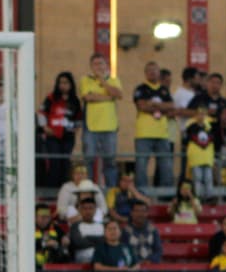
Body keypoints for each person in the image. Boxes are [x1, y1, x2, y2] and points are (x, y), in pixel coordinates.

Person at [78, 53, 122, 187]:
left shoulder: (113, 80)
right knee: (88, 160)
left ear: (106, 65)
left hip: (110, 128)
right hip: (91, 128)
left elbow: (118, 94)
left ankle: (111, 190)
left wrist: (103, 81)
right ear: (91, 66)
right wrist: (108, 97)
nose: (99, 66)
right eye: (95, 64)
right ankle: (88, 187)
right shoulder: (85, 80)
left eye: (101, 63)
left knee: (110, 161)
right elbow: (88, 97)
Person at [132, 60, 173, 190]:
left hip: (162, 133)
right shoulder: (140, 89)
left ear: (159, 73)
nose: (152, 73)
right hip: (144, 133)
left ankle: (166, 193)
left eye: (155, 70)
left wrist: (153, 104)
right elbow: (141, 106)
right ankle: (142, 191)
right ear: (145, 73)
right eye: (149, 70)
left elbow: (171, 106)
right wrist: (162, 107)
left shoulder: (164, 90)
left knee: (165, 164)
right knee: (142, 164)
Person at [38, 71, 82, 189]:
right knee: (54, 163)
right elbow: (41, 113)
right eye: (61, 83)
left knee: (65, 163)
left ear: (71, 84)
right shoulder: (51, 98)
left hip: (68, 137)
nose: (63, 85)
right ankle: (51, 190)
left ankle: (64, 189)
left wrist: (76, 129)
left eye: (66, 82)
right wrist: (45, 127)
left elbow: (79, 118)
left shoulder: (75, 100)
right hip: (53, 136)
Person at [184, 103, 217, 200]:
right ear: (196, 115)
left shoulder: (209, 127)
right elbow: (187, 140)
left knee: (208, 178)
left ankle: (209, 196)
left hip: (207, 158)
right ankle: (198, 197)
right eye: (199, 114)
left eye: (203, 114)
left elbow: (213, 139)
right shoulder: (191, 126)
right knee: (197, 178)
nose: (201, 116)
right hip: (196, 158)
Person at [67, 195, 106, 263]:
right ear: (80, 210)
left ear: (95, 209)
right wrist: (99, 241)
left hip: (102, 261)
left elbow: (107, 242)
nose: (88, 211)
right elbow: (78, 243)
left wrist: (87, 238)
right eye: (85, 208)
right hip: (81, 262)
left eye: (91, 208)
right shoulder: (75, 226)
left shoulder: (102, 226)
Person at [122, 199, 162, 264]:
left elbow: (158, 251)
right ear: (131, 213)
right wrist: (136, 261)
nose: (140, 214)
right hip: (133, 267)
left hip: (151, 266)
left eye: (143, 211)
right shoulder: (126, 231)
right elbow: (124, 251)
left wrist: (150, 261)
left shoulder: (153, 230)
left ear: (147, 213)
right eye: (137, 211)